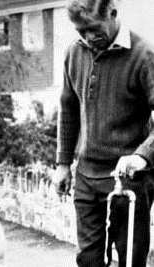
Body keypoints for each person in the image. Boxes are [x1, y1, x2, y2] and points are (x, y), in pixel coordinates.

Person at [54, 0, 154, 266]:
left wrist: (142, 156)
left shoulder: (144, 55)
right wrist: (63, 164)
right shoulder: (73, 53)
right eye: (80, 31)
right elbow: (68, 109)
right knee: (88, 259)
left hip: (129, 178)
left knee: (130, 259)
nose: (88, 37)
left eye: (94, 29)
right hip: (86, 176)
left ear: (113, 13)